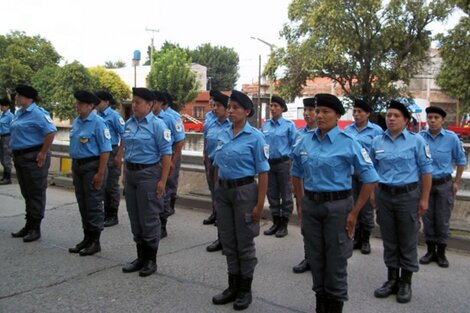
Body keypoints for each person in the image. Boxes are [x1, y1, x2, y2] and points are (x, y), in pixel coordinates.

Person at [291, 94, 379, 313]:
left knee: (336, 262)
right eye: (317, 111)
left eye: (325, 112)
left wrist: (354, 213)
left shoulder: (349, 143)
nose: (319, 115)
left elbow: (370, 179)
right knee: (316, 258)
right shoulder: (305, 140)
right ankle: (320, 304)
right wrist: (301, 204)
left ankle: (334, 306)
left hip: (338, 208)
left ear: (338, 116)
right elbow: (296, 172)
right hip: (312, 206)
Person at [211, 90, 269, 311]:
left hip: (245, 192)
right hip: (224, 193)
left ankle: (245, 290)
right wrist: (216, 194)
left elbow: (263, 173)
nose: (231, 111)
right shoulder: (223, 133)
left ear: (247, 111)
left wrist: (259, 204)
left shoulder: (255, 137)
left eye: (236, 107)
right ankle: (232, 286)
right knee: (228, 241)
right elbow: (217, 165)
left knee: (244, 243)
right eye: (229, 107)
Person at [370, 100, 432, 304]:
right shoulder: (377, 141)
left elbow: (426, 172)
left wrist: (424, 199)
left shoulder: (417, 141)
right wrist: (372, 194)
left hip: (408, 196)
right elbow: (372, 170)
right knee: (389, 239)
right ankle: (391, 279)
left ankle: (406, 282)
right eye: (388, 115)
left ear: (405, 120)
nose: (391, 118)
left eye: (396, 115)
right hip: (384, 196)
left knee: (407, 239)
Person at [117, 88, 172, 277]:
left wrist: (162, 181)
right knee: (135, 217)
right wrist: (124, 174)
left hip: (149, 174)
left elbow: (166, 155)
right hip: (132, 173)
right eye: (133, 102)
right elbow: (127, 151)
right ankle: (140, 257)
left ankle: (150, 260)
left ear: (150, 105)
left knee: (149, 219)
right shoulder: (129, 124)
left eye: (138, 102)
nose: (134, 105)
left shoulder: (158, 126)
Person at [418, 106, 467, 268]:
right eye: (430, 117)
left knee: (443, 219)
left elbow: (461, 161)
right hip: (425, 185)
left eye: (436, 118)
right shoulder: (420, 137)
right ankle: (430, 251)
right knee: (428, 217)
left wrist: (457, 182)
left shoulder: (451, 138)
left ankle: (441, 253)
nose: (432, 120)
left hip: (444, 184)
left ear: (442, 120)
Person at [10, 85, 57, 242]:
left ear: (28, 97)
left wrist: (43, 152)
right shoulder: (20, 113)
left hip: (33, 157)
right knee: (27, 192)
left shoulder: (37, 113)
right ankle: (28, 224)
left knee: (36, 192)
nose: (16, 98)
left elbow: (51, 131)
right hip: (20, 156)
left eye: (19, 95)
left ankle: (35, 228)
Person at [68, 90, 111, 256]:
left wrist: (100, 173)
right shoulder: (77, 121)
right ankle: (86, 237)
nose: (77, 106)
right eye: (77, 103)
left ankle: (95, 241)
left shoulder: (99, 123)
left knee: (93, 204)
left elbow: (106, 150)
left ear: (90, 105)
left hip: (92, 167)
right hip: (78, 166)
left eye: (80, 103)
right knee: (83, 203)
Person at [343, 99, 383, 254]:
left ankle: (366, 240)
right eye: (355, 111)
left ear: (367, 114)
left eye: (360, 112)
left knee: (366, 209)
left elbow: (380, 155)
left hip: (367, 176)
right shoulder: (347, 130)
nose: (357, 114)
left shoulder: (376, 131)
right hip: (351, 175)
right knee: (353, 206)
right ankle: (356, 238)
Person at [262, 95, 297, 238]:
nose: (273, 108)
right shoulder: (265, 125)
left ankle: (284, 224)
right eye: (272, 106)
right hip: (269, 164)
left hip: (284, 164)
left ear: (282, 109)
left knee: (286, 194)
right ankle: (275, 221)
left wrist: (291, 162)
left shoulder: (289, 126)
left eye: (276, 106)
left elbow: (295, 145)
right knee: (272, 194)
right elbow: (262, 144)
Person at [202, 90, 231, 252]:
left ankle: (229, 241)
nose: (215, 108)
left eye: (219, 106)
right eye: (215, 105)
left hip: (227, 169)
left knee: (227, 205)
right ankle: (221, 238)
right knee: (217, 202)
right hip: (213, 166)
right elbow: (207, 145)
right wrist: (206, 163)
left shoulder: (232, 126)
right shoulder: (211, 123)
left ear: (227, 109)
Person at [291, 97, 317, 274]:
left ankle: (321, 261)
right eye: (305, 110)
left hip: (326, 190)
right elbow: (295, 167)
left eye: (311, 110)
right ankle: (309, 257)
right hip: (305, 189)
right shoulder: (300, 134)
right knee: (306, 226)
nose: (307, 113)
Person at [95, 91, 125, 227]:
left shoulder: (114, 116)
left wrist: (119, 155)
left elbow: (124, 136)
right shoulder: (96, 116)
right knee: (102, 184)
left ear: (106, 102)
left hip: (112, 151)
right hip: (100, 152)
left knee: (111, 185)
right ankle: (104, 213)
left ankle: (112, 214)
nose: (97, 104)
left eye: (99, 101)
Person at [160, 91, 185, 238]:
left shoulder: (173, 117)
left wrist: (174, 159)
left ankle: (169, 207)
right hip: (160, 158)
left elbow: (179, 140)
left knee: (170, 183)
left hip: (171, 154)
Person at [203, 89, 221, 225]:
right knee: (212, 187)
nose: (211, 103)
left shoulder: (227, 121)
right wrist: (205, 156)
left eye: (214, 101)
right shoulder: (209, 117)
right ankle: (214, 212)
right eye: (211, 101)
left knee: (219, 189)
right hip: (210, 158)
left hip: (220, 161)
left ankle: (221, 214)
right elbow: (206, 138)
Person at [0, 97, 14, 185]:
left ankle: (8, 177)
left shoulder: (10, 116)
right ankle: (4, 176)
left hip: (7, 137)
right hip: (2, 137)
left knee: (6, 157)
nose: (1, 107)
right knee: (2, 156)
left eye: (2, 106)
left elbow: (13, 128)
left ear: (7, 106)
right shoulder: (2, 115)